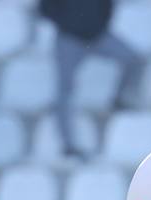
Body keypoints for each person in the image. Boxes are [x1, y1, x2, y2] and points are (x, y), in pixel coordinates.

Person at [40, 0, 140, 158]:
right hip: (69, 39)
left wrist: (97, 26)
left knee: (132, 59)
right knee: (64, 90)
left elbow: (107, 6)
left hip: (98, 36)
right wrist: (71, 24)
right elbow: (45, 9)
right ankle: (68, 145)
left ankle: (119, 100)